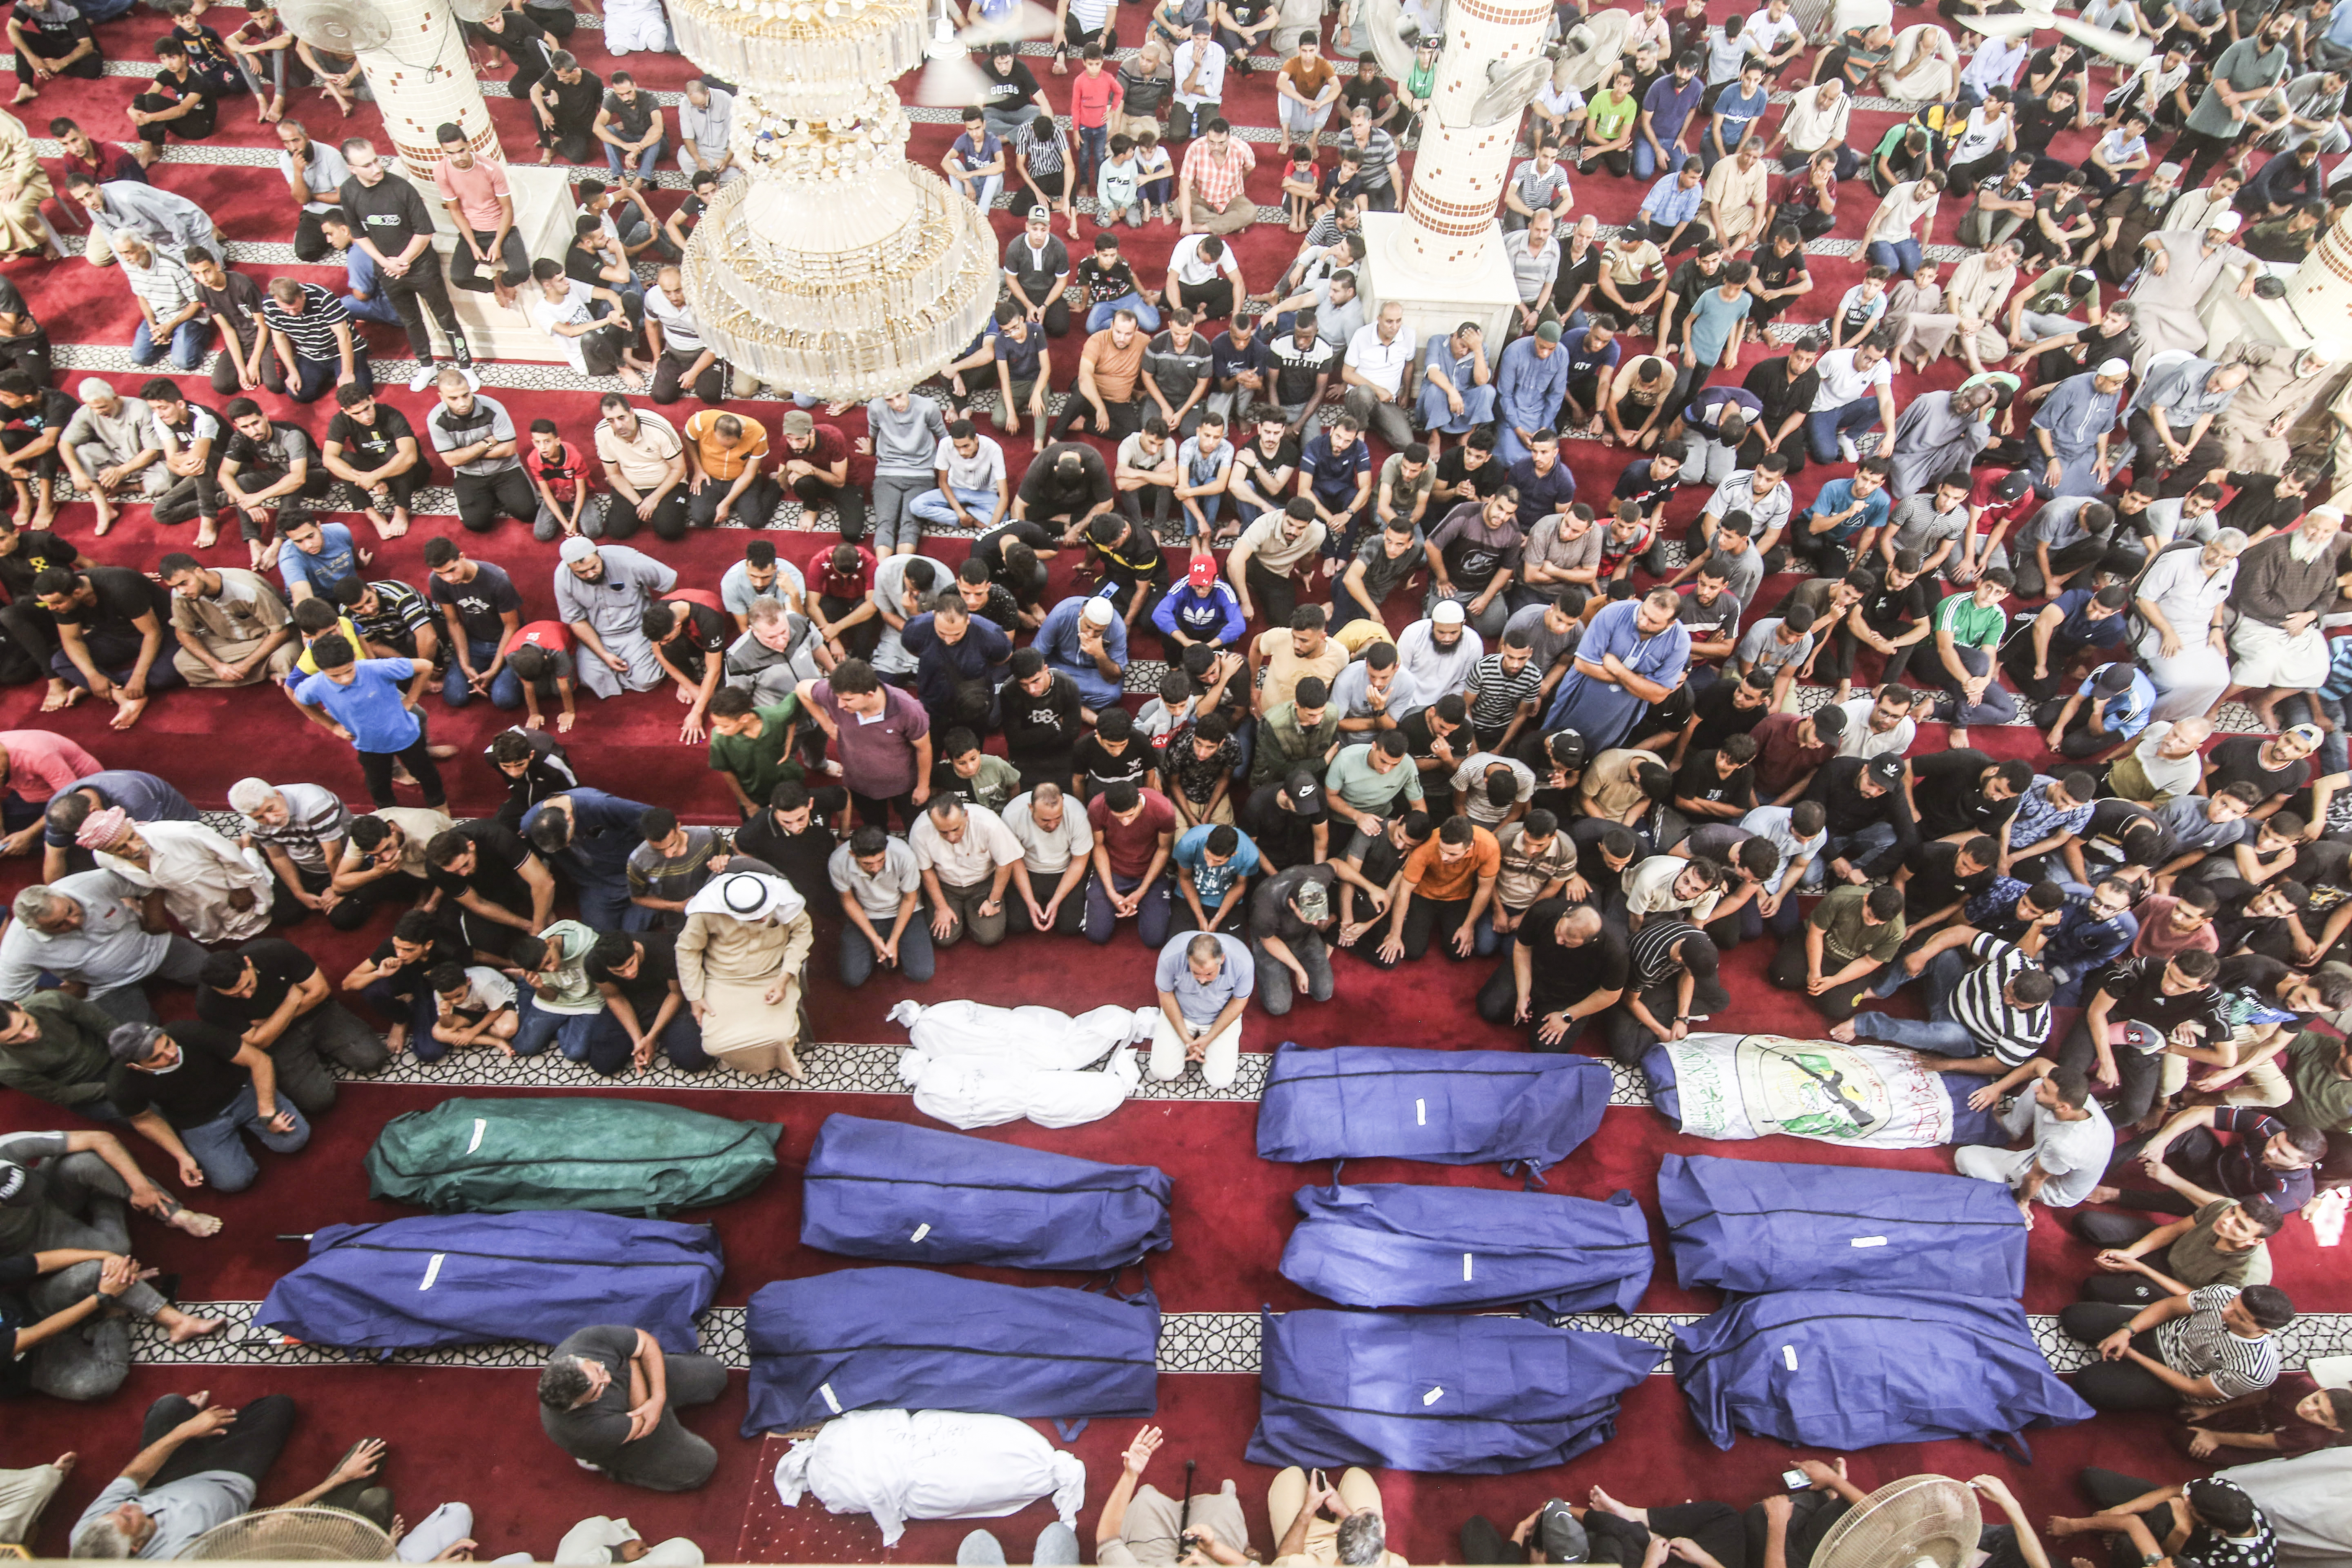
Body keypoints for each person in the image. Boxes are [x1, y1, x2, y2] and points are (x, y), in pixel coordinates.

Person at [336, 138, 472, 392]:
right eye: (367, 165)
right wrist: (384, 262)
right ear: (351, 168)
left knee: (445, 317)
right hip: (387, 270)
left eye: (377, 160)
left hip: (421, 266)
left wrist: (404, 261)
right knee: (411, 320)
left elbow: (424, 233)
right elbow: (358, 234)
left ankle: (465, 365)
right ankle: (426, 364)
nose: (377, 168)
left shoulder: (401, 189)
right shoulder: (348, 191)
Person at [537, 1325, 725, 1492]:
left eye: (598, 1369)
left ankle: (664, 1403)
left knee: (715, 1374)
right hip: (631, 1433)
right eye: (598, 1391)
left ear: (573, 1357)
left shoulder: (582, 1341)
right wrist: (632, 1360)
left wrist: (658, 1397)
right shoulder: (582, 1431)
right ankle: (612, 1467)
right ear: (575, 1406)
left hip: (638, 1390)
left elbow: (646, 1342)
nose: (607, 1379)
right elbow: (646, 1420)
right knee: (701, 1466)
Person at [675, 869, 813, 1079]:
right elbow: (687, 950)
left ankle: (783, 1061)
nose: (764, 918)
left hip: (772, 976)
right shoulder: (706, 910)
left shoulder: (782, 897)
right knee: (715, 1044)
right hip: (724, 980)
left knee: (780, 1035)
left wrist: (785, 977)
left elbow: (802, 932)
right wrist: (695, 996)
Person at [289, 634, 443, 810]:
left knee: (426, 774)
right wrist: (332, 726)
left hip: (404, 735)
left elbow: (425, 666)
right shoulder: (314, 685)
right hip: (368, 746)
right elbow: (299, 699)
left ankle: (439, 805)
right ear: (320, 669)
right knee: (378, 786)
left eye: (349, 671)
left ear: (354, 657)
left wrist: (411, 699)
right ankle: (387, 813)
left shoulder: (377, 669)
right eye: (335, 676)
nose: (345, 679)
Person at [1151, 929, 1249, 1087]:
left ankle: (1204, 1046)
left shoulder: (1242, 962)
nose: (1202, 980)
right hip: (1182, 1013)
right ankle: (1194, 1044)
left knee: (1221, 1081)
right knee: (1163, 1072)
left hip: (1218, 1016)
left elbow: (1238, 1002)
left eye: (1209, 974)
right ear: (1188, 959)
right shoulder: (1171, 956)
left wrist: (1209, 1038)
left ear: (1222, 959)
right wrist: (1186, 1038)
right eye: (1196, 973)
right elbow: (1166, 995)